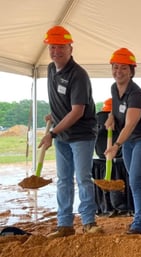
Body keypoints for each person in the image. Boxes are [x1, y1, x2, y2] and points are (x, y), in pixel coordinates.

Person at [39, 25, 103, 238]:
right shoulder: (50, 69)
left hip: (82, 135)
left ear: (70, 48)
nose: (56, 51)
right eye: (52, 47)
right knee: (63, 179)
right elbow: (60, 100)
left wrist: (52, 133)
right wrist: (53, 114)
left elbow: (77, 111)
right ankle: (65, 225)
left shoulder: (78, 75)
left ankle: (88, 222)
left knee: (83, 177)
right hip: (62, 134)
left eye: (61, 47)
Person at [103, 48, 141, 234]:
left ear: (131, 71)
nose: (118, 71)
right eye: (115, 67)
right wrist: (111, 116)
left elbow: (130, 124)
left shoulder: (137, 94)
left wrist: (116, 145)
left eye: (123, 68)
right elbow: (117, 107)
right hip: (129, 141)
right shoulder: (114, 88)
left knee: (135, 179)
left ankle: (140, 223)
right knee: (137, 179)